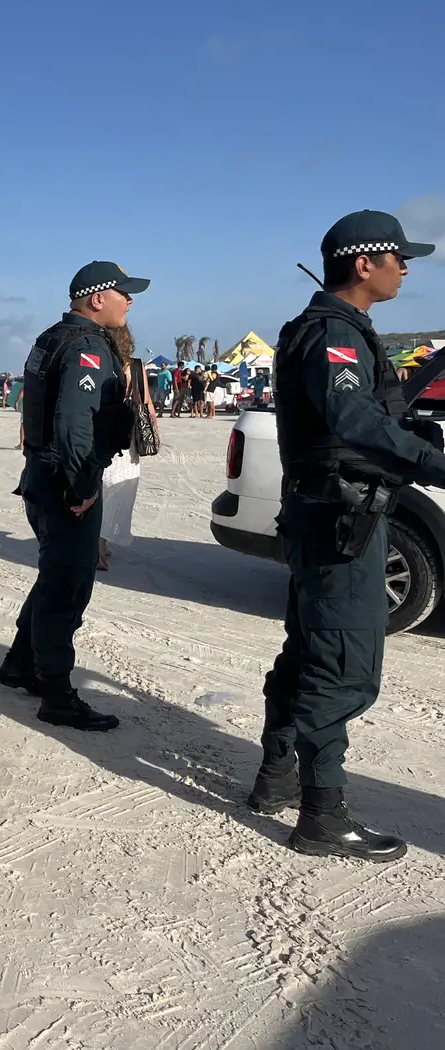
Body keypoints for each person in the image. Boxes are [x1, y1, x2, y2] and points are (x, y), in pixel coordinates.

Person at [250, 210, 445, 862]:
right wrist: (430, 460)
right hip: (341, 522)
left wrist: (410, 434)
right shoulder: (335, 333)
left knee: (310, 651)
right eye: (398, 258)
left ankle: (276, 775)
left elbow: (356, 416)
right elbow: (351, 419)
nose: (406, 269)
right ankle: (322, 816)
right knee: (343, 671)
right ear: (365, 263)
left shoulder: (326, 329)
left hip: (323, 515)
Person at [0, 260, 149, 730]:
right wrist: (82, 486)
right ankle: (56, 693)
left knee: (54, 576)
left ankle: (21, 664)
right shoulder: (87, 346)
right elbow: (75, 422)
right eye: (123, 293)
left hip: (43, 475)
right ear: (97, 298)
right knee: (69, 586)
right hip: (66, 483)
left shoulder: (52, 338)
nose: (130, 301)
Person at [98, 329, 158, 570]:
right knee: (118, 488)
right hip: (127, 435)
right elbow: (146, 402)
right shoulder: (135, 366)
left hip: (102, 432)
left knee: (100, 486)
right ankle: (100, 545)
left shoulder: (101, 361)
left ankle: (97, 543)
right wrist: (154, 430)